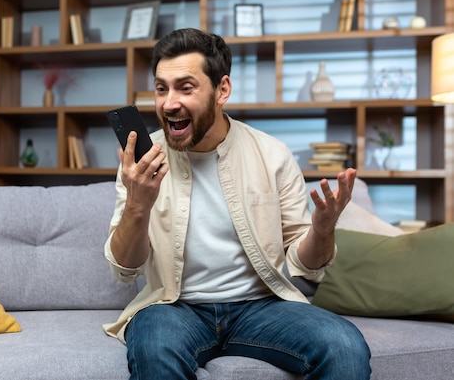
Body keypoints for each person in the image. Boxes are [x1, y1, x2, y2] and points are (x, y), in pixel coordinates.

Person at [102, 28, 371, 380]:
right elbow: (124, 269)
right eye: (161, 88)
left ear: (222, 90)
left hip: (262, 307)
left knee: (344, 344)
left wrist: (322, 231)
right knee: (154, 345)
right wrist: (138, 205)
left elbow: (307, 267)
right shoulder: (141, 163)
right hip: (174, 306)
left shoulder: (272, 154)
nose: (169, 103)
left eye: (186, 87)